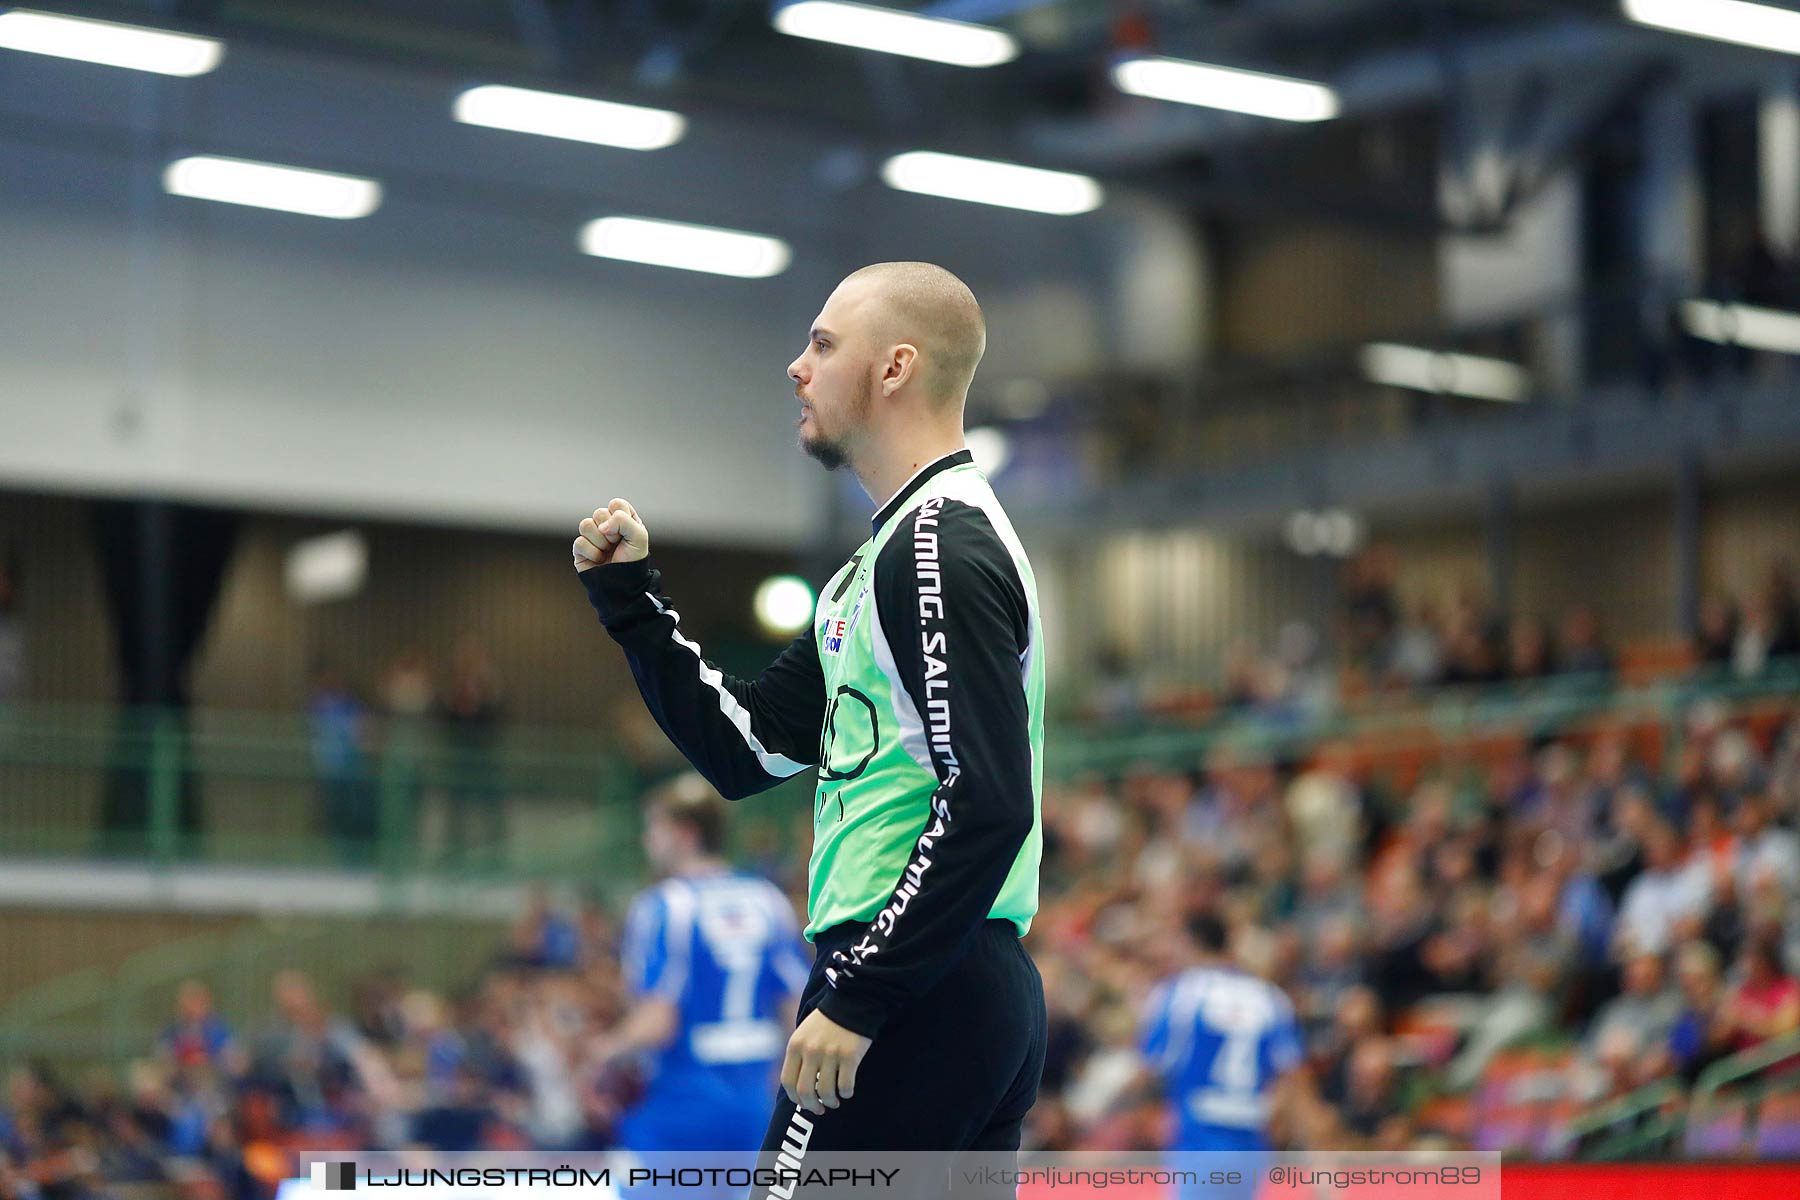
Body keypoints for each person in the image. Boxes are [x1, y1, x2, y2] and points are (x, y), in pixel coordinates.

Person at [572, 262, 1048, 1167]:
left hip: (911, 982)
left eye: (823, 344)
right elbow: (746, 752)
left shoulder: (936, 547)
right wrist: (632, 603)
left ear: (895, 369)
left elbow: (987, 799)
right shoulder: (884, 559)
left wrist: (861, 995)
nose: (797, 366)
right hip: (950, 982)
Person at [597, 776, 808, 1158]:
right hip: (755, 1107)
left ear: (685, 833)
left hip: (681, 1106)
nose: (648, 841)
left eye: (654, 828)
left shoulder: (664, 905)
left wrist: (604, 1051)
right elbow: (796, 1008)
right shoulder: (768, 900)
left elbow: (659, 1020)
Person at [1139, 913, 1305, 1194]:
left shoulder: (1180, 994)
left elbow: (1150, 1067)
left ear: (1191, 943)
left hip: (1198, 1134)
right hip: (1251, 1137)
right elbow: (1293, 1075)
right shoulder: (1269, 997)